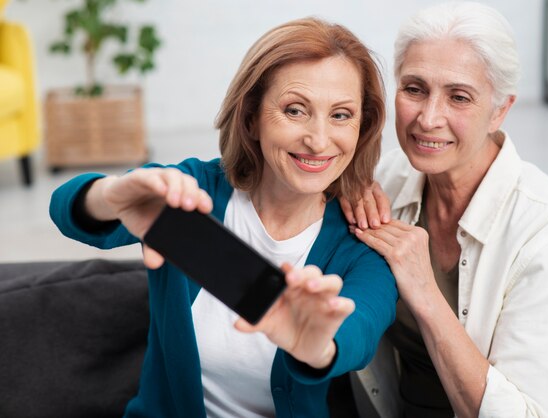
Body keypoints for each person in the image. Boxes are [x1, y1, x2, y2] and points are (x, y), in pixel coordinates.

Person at [49, 17, 397, 418]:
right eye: (295, 110)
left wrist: (317, 346)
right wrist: (109, 194)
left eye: (341, 115)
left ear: (362, 126)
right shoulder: (197, 197)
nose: (319, 140)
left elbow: (362, 328)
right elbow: (66, 207)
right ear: (251, 118)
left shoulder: (360, 245)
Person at [341, 2, 548, 417]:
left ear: (500, 110)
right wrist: (343, 187)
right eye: (414, 88)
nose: (428, 117)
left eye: (459, 97)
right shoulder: (389, 179)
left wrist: (424, 290)